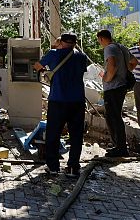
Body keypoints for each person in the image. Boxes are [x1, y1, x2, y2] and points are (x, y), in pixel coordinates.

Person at [34, 33, 88, 177]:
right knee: (76, 136)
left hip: (58, 100)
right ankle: (73, 168)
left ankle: (53, 167)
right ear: (75, 43)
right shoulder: (82, 57)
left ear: (61, 42)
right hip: (77, 101)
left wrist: (45, 72)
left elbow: (37, 65)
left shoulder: (53, 53)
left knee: (53, 134)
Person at [97, 29, 137, 157]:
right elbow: (134, 61)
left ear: (101, 39)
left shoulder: (108, 48)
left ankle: (120, 147)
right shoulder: (122, 47)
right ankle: (118, 145)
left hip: (113, 87)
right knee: (115, 116)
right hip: (122, 85)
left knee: (113, 117)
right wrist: (125, 71)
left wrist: (106, 78)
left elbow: (112, 66)